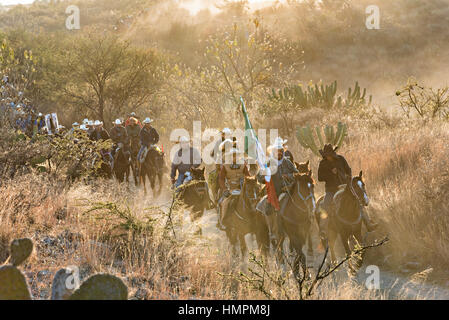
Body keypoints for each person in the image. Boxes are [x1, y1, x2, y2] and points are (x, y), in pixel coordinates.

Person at [317, 143, 377, 231]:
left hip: (345, 187)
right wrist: (330, 174)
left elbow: (348, 170)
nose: (328, 157)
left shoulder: (341, 159)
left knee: (358, 200)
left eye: (330, 155)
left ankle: (368, 223)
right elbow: (320, 178)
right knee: (325, 205)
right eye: (327, 156)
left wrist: (347, 179)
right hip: (331, 189)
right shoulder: (323, 163)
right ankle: (323, 229)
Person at [256, 139, 298, 239]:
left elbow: (297, 174)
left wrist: (288, 176)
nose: (279, 153)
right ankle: (272, 231)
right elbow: (259, 177)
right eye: (277, 151)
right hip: (274, 192)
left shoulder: (287, 162)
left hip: (289, 190)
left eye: (281, 151)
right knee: (267, 208)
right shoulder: (268, 163)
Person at [217, 147, 250, 230]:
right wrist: (224, 189)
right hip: (230, 188)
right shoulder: (225, 166)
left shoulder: (243, 165)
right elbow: (221, 179)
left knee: (252, 199)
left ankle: (253, 219)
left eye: (236, 155)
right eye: (233, 156)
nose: (234, 157)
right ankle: (223, 221)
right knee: (223, 202)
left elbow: (248, 176)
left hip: (241, 188)